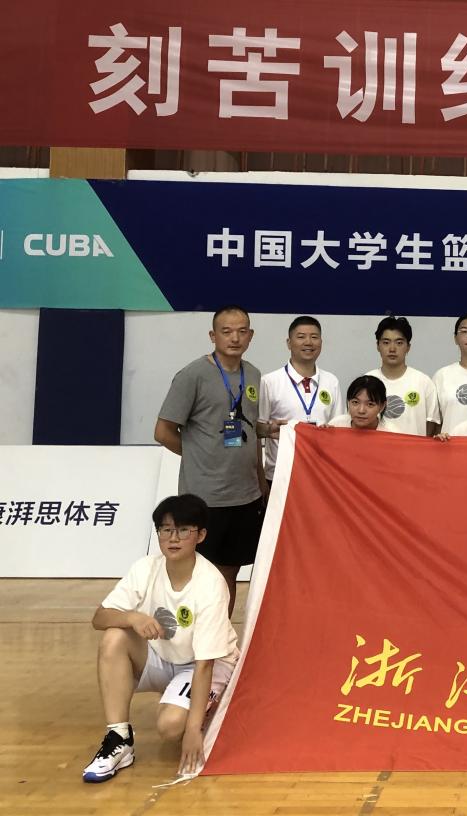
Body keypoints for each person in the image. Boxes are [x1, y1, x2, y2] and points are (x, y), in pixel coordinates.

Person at [82, 494, 239, 783]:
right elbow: (99, 618)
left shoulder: (211, 584)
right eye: (166, 530)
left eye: (183, 530)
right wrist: (133, 618)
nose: (173, 538)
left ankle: (210, 711)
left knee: (170, 727)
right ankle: (119, 737)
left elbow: (205, 664)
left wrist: (192, 730)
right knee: (114, 637)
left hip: (202, 665)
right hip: (162, 656)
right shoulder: (145, 568)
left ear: (201, 535)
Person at [155, 305, 265, 614]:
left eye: (242, 331)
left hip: (244, 494)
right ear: (212, 335)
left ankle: (220, 636)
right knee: (199, 572)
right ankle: (189, 635)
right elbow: (163, 431)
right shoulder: (192, 375)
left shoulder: (253, 374)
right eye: (226, 331)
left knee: (229, 572)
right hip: (205, 497)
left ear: (251, 336)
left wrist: (261, 483)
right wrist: (198, 455)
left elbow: (249, 429)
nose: (235, 338)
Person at [257, 316, 341, 484]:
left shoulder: (331, 381)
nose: (308, 342)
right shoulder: (269, 381)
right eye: (301, 337)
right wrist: (259, 476)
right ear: (289, 343)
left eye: (314, 337)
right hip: (280, 477)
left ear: (321, 342)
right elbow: (258, 431)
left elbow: (338, 429)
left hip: (321, 475)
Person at [366, 316, 439, 436]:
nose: (392, 349)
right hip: (374, 448)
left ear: (408, 347)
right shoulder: (366, 382)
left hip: (413, 448)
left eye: (399, 343)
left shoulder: (423, 382)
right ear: (378, 346)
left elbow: (433, 424)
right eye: (386, 342)